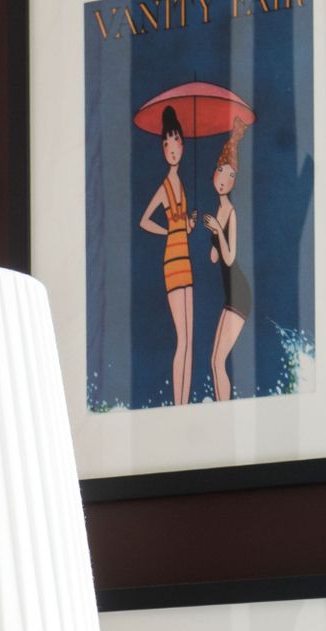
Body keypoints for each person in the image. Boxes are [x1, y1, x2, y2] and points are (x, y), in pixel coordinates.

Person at [138, 105, 197, 407]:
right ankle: (179, 404)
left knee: (190, 338)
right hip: (173, 263)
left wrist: (186, 225)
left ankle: (183, 401)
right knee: (182, 338)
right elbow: (144, 220)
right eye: (166, 143)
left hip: (185, 260)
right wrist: (170, 232)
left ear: (182, 145)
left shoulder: (182, 184)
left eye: (176, 142)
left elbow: (181, 225)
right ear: (163, 148)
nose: (172, 148)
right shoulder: (164, 187)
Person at [201, 120, 252, 404]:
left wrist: (218, 232)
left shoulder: (229, 213)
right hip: (231, 294)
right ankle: (223, 406)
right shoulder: (218, 213)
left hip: (239, 294)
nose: (225, 178)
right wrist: (211, 233)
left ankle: (224, 409)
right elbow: (214, 258)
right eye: (222, 171)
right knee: (214, 359)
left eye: (231, 175)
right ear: (214, 173)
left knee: (218, 360)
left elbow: (230, 257)